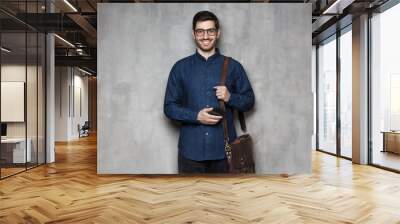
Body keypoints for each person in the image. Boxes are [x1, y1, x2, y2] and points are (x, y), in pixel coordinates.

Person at [163, 11, 255, 174]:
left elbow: (249, 101)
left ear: (218, 33)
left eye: (210, 31)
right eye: (200, 31)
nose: (205, 36)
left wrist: (230, 97)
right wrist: (195, 116)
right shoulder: (180, 68)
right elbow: (169, 107)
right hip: (190, 153)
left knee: (225, 199)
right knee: (189, 199)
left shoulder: (234, 67)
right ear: (194, 34)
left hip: (224, 153)